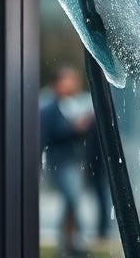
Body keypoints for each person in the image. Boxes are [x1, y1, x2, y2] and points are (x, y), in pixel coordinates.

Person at [40, 65, 94, 257]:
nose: (71, 84)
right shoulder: (48, 108)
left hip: (70, 161)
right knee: (72, 199)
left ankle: (67, 244)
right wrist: (76, 128)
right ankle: (74, 242)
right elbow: (50, 135)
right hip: (60, 162)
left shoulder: (68, 104)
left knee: (70, 202)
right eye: (67, 80)